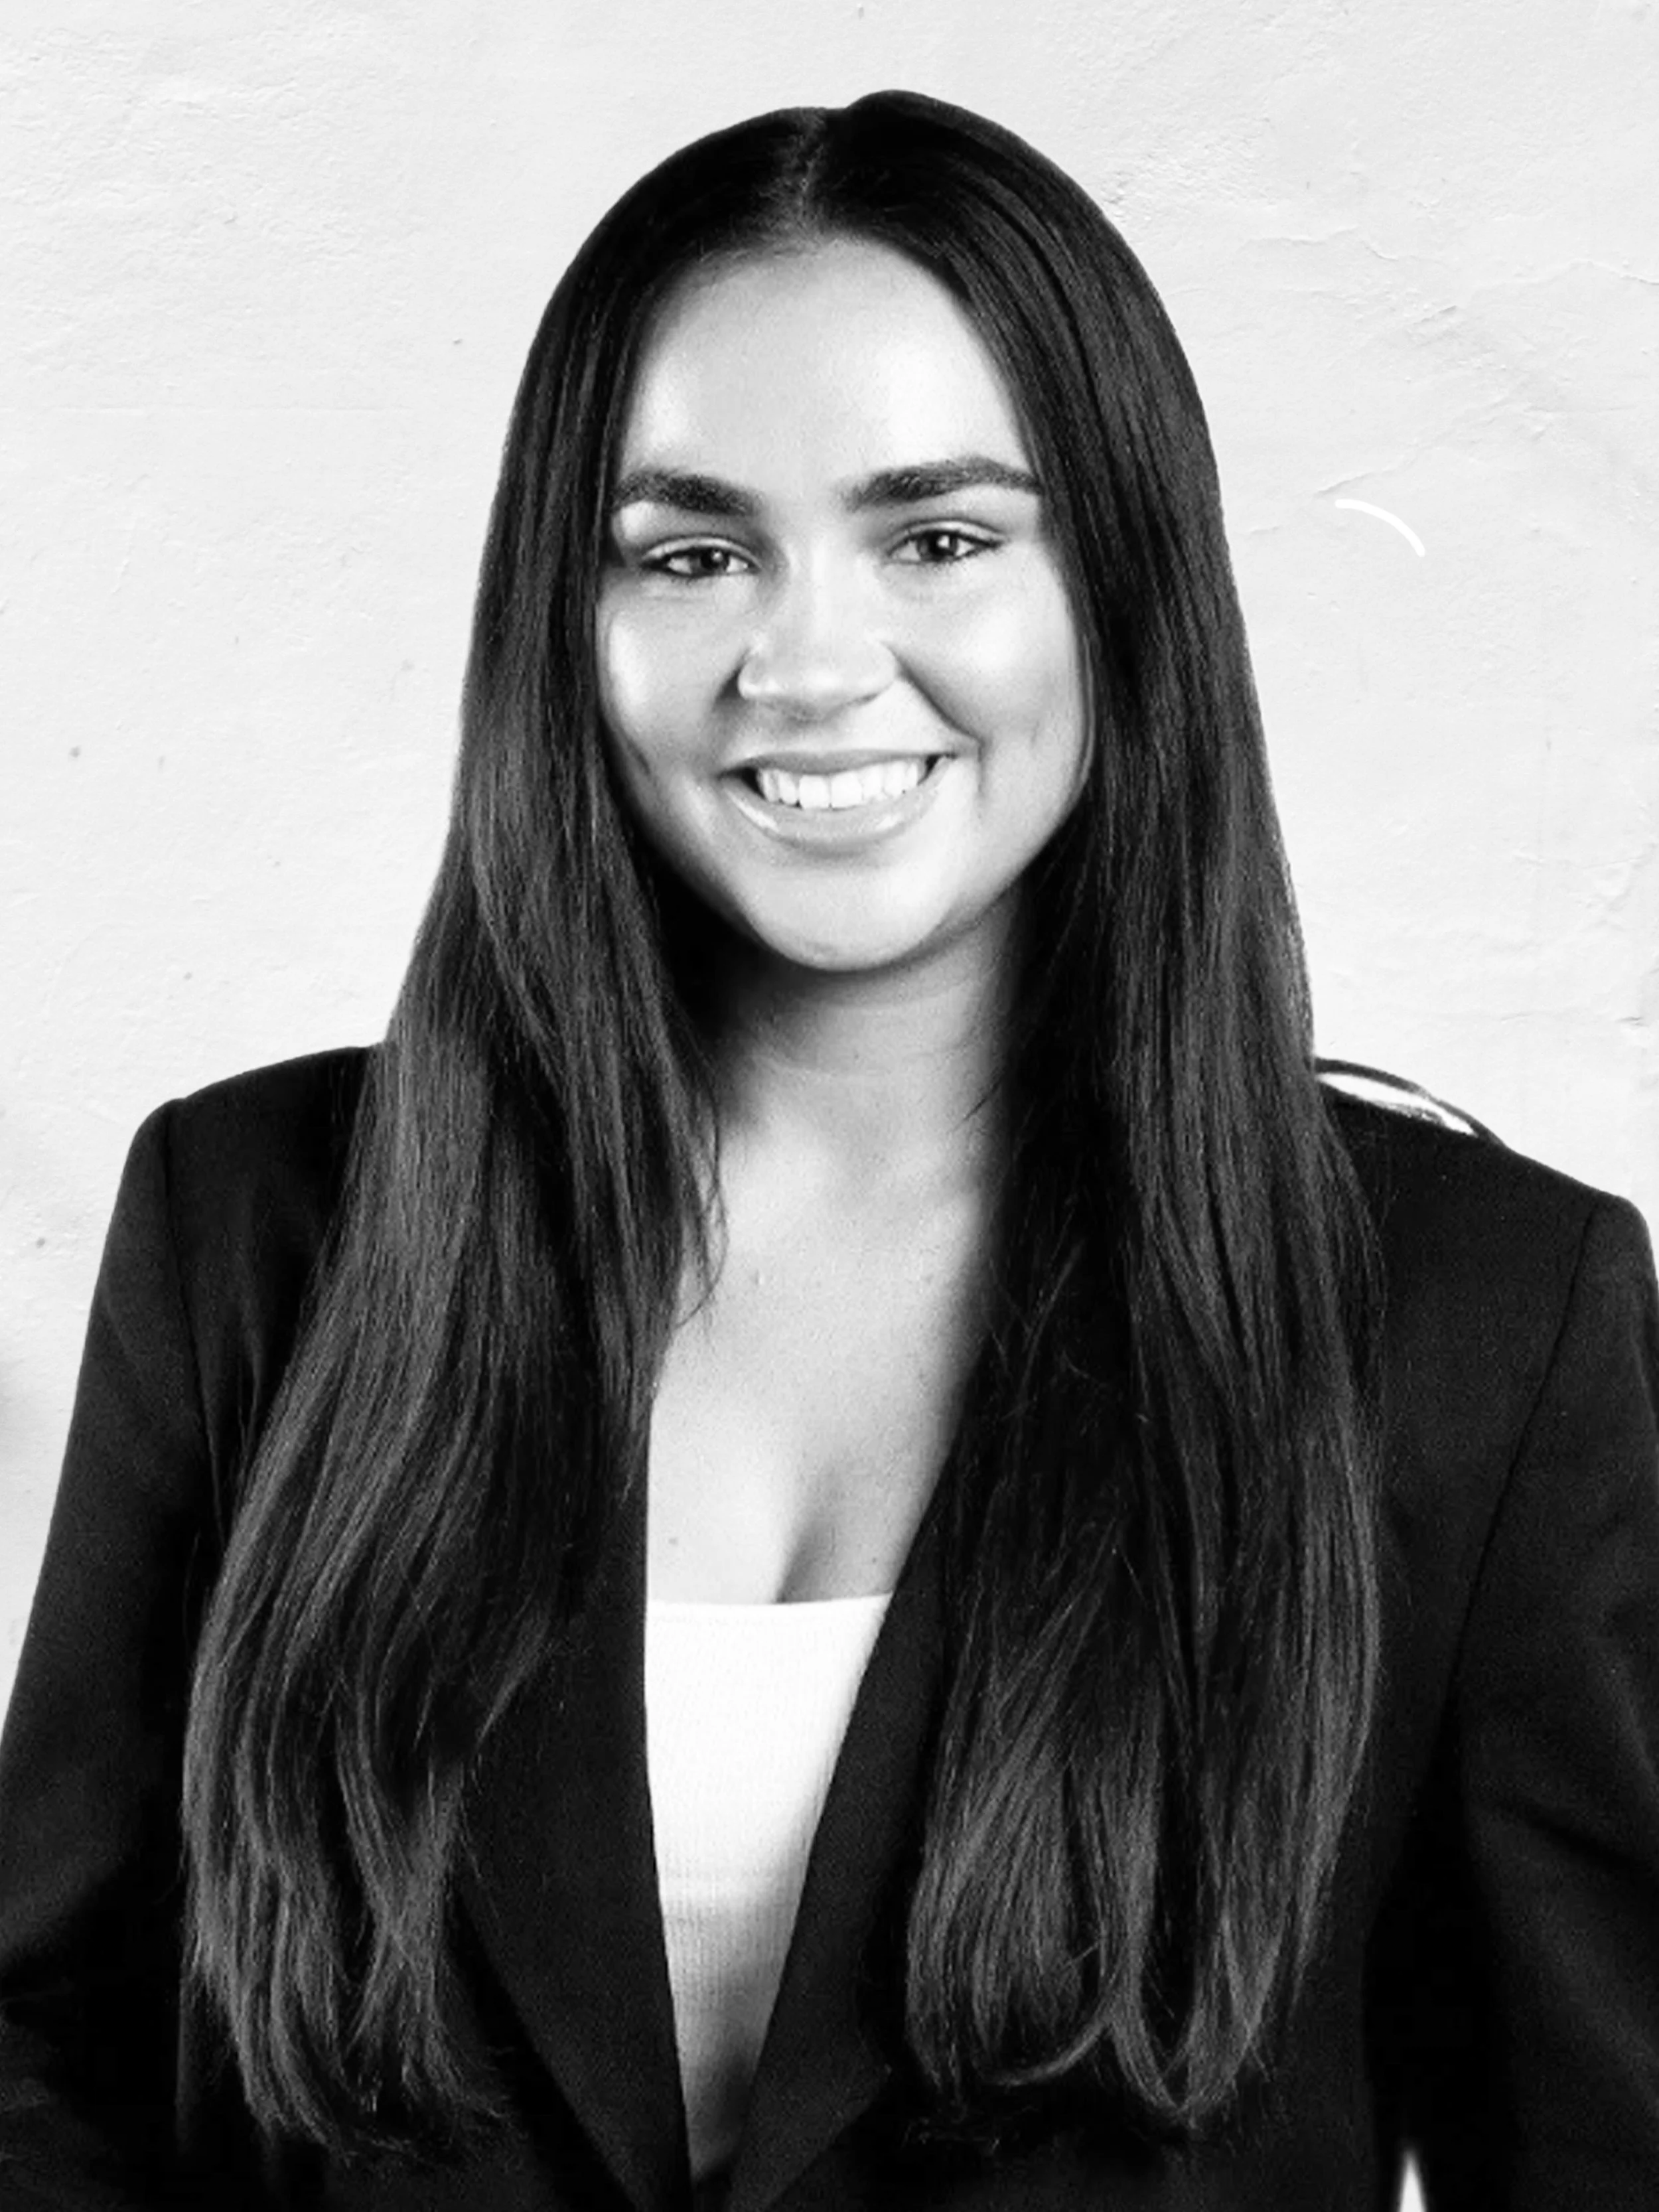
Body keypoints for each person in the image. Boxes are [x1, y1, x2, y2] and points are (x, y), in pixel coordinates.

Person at [1, 88, 1656, 2212]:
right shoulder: (255, 1228)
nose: (803, 662)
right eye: (693, 553)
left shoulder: (1478, 1320)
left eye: (938, 539)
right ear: (568, 620)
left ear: (1119, 583)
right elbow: (45, 2072)